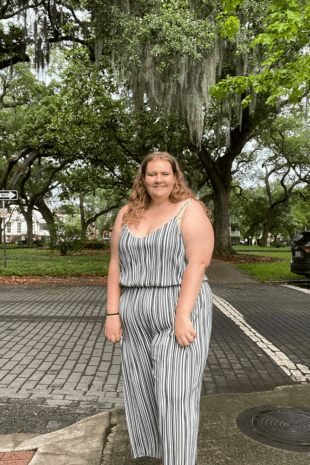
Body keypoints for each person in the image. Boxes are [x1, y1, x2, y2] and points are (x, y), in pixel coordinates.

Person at [105, 151, 214, 465]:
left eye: (164, 174)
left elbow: (198, 262)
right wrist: (113, 312)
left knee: (175, 392)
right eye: (151, 174)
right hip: (134, 307)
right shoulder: (127, 213)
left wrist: (182, 315)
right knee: (140, 390)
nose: (158, 180)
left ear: (175, 176)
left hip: (177, 304)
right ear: (143, 178)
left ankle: (179, 460)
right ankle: (153, 455)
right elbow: (115, 263)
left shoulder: (189, 209)